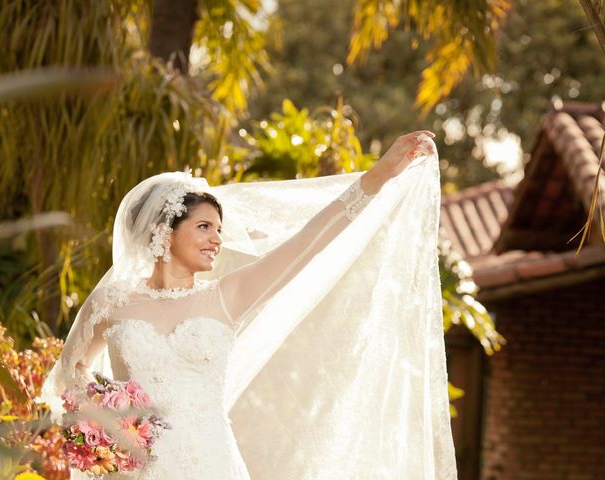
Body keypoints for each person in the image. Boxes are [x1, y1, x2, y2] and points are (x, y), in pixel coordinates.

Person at [39, 130, 457, 479]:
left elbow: (308, 241)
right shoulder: (113, 301)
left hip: (212, 465)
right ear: (165, 230)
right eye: (204, 227)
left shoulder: (225, 296)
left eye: (219, 230)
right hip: (134, 470)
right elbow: (69, 374)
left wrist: (381, 174)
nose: (217, 240)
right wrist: (104, 422)